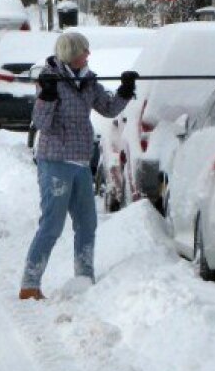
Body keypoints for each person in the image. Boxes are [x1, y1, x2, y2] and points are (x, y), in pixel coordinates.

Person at [19, 31, 136, 300]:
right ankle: (30, 283)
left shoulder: (88, 81)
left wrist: (125, 90)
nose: (89, 55)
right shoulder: (50, 80)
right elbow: (42, 123)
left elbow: (108, 108)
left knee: (87, 222)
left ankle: (84, 277)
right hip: (56, 162)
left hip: (81, 162)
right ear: (72, 56)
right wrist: (46, 96)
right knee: (52, 225)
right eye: (85, 51)